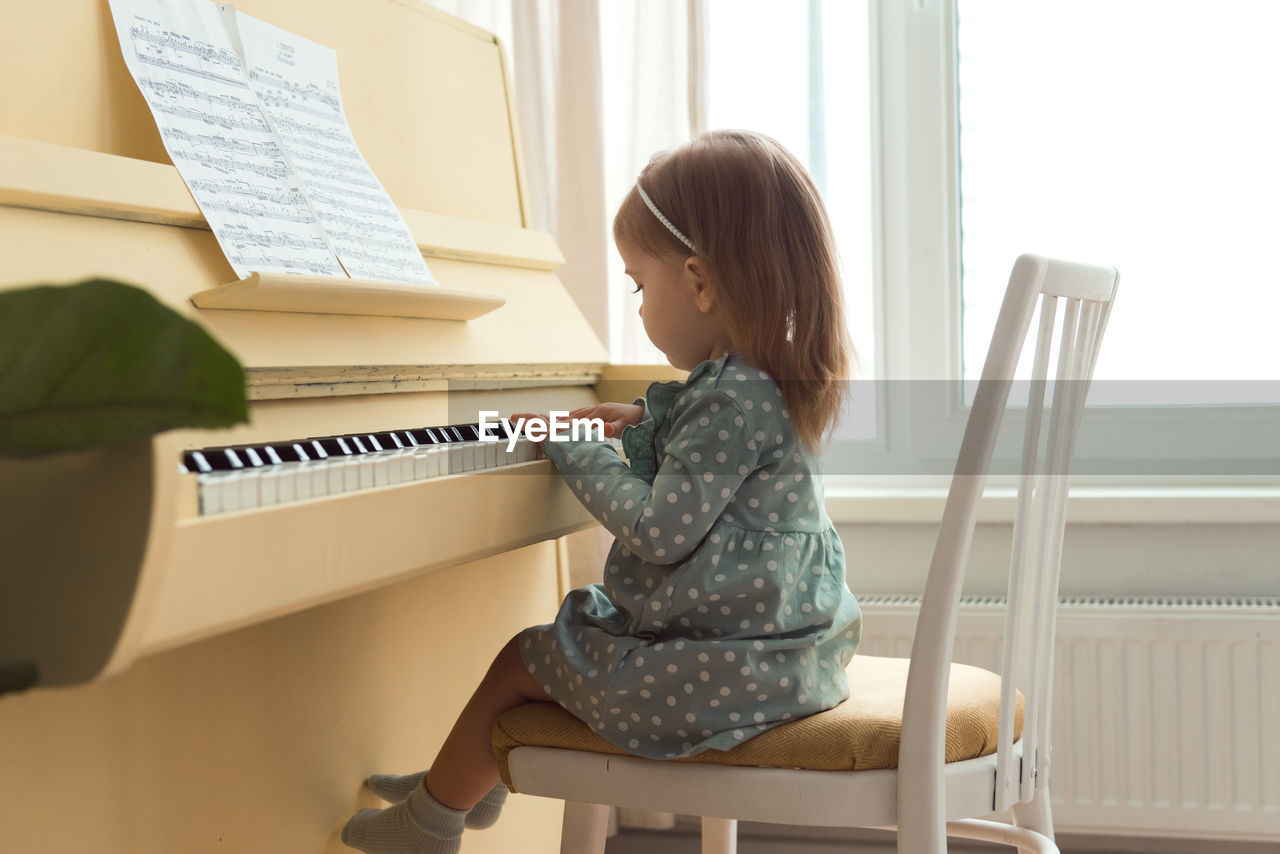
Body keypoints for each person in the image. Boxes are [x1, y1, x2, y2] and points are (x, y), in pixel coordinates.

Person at [341, 129, 861, 854]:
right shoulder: (760, 383)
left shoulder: (729, 400)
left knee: (526, 657)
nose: (639, 307)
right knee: (563, 638)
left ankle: (432, 819)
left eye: (639, 285)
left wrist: (576, 447)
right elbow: (723, 465)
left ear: (701, 282)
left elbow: (658, 530)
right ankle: (458, 783)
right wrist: (648, 419)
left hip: (741, 673)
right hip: (784, 653)